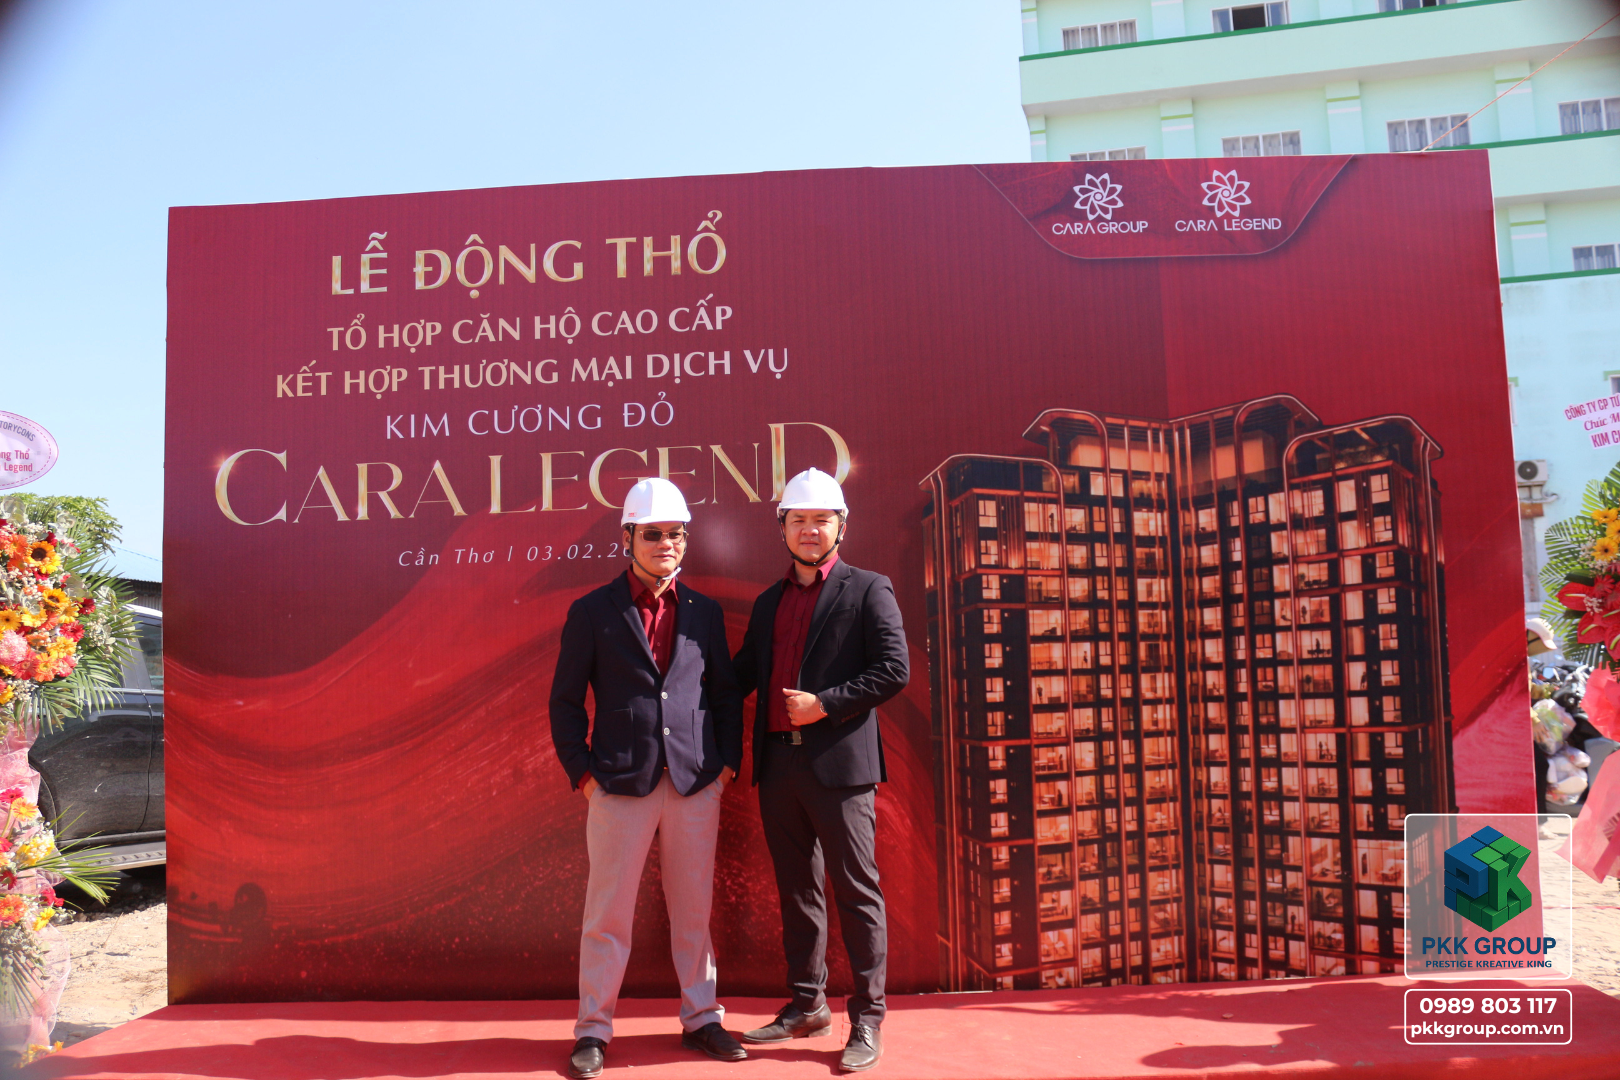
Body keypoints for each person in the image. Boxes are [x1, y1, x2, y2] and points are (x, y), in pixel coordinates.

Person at [549, 477, 747, 1079]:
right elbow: (564, 702)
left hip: (694, 782)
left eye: (676, 534)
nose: (666, 543)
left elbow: (725, 694)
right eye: (653, 533)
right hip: (618, 784)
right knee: (607, 915)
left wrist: (725, 767)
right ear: (628, 538)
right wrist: (583, 775)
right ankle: (593, 1029)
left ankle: (702, 1018)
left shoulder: (704, 612)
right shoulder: (591, 611)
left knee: (694, 911)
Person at [733, 467, 909, 1073]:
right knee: (797, 891)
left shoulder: (869, 588)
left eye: (821, 520)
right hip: (778, 765)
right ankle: (807, 1005)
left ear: (841, 526)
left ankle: (868, 1019)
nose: (810, 530)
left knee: (857, 891)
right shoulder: (768, 603)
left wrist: (825, 703)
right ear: (782, 527)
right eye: (799, 520)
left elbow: (894, 669)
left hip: (840, 768)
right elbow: (740, 675)